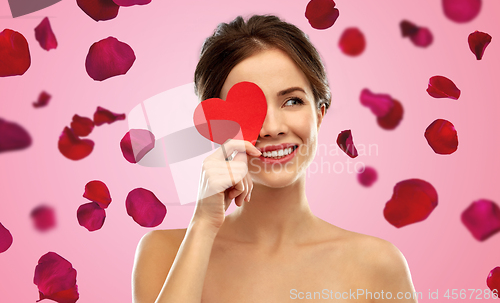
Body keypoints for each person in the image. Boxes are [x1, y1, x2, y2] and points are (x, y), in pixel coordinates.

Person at [132, 15, 418, 303]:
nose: (272, 128)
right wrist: (203, 226)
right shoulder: (163, 253)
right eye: (245, 107)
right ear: (216, 126)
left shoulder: (378, 265)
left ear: (319, 114)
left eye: (292, 101)